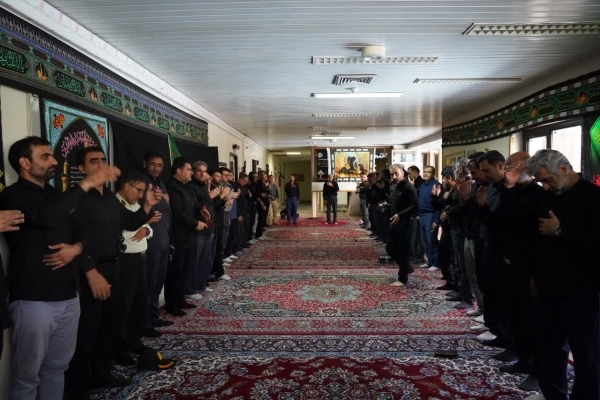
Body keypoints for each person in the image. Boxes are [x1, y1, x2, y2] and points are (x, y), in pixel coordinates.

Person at [0, 137, 119, 400]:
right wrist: (86, 183)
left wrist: (76, 248)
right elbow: (46, 217)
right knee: (27, 376)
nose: (54, 160)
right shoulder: (12, 195)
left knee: (57, 368)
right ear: (24, 163)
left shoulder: (56, 195)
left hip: (69, 295)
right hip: (34, 298)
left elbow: (85, 230)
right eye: (45, 156)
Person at [66, 146, 162, 399]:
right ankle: (78, 387)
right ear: (81, 169)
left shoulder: (108, 197)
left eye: (103, 160)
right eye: (93, 161)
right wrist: (90, 269)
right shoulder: (76, 199)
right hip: (90, 271)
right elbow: (70, 237)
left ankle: (102, 373)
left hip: (114, 267)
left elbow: (129, 223)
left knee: (110, 325)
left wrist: (147, 205)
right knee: (88, 331)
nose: (100, 165)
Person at [526, 149, 600, 400]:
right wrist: (535, 276)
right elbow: (537, 239)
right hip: (547, 286)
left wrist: (561, 232)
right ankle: (553, 394)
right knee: (549, 348)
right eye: (541, 183)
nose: (545, 187)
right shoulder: (547, 197)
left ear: (564, 169)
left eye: (548, 180)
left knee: (586, 354)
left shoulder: (593, 197)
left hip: (582, 290)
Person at [114, 171, 160, 366]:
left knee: (139, 303)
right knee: (123, 306)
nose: (140, 195)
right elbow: (123, 232)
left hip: (141, 257)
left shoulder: (135, 205)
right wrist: (142, 226)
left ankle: (134, 340)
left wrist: (145, 229)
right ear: (126, 186)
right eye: (138, 190)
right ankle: (121, 348)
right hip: (125, 260)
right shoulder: (115, 205)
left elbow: (148, 228)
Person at [163, 157, 208, 317]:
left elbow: (189, 205)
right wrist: (195, 223)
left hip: (187, 235)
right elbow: (177, 212)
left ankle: (180, 299)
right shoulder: (172, 187)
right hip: (177, 236)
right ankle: (172, 305)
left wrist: (200, 209)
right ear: (179, 171)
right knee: (175, 272)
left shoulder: (184, 186)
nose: (191, 172)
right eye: (189, 169)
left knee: (184, 270)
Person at [141, 151, 174, 334]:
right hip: (150, 242)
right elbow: (148, 210)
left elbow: (167, 211)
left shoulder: (160, 183)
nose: (156, 168)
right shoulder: (142, 183)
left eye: (159, 165)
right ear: (145, 164)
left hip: (163, 240)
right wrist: (162, 201)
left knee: (158, 281)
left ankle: (153, 316)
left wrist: (170, 240)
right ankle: (145, 322)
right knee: (149, 282)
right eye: (152, 164)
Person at [387, 164, 418, 287]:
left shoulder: (409, 187)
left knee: (403, 250)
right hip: (395, 222)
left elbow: (414, 206)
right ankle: (406, 267)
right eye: (392, 174)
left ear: (403, 174)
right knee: (390, 248)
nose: (394, 177)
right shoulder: (395, 188)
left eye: (396, 174)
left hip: (406, 222)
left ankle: (402, 278)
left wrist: (400, 215)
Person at [416, 165, 440, 270]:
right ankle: (430, 261)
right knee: (424, 241)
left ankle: (436, 263)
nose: (426, 173)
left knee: (431, 240)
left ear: (433, 173)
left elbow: (439, 205)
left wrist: (436, 220)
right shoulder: (422, 185)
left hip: (431, 214)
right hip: (422, 215)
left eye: (428, 172)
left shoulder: (437, 185)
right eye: (425, 171)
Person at [407, 166, 424, 263]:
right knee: (413, 236)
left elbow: (418, 199)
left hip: (417, 213)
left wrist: (417, 213)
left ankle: (418, 255)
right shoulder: (412, 183)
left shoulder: (420, 184)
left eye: (409, 173)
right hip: (412, 213)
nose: (408, 175)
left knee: (417, 237)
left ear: (415, 173)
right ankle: (413, 254)